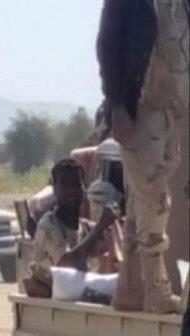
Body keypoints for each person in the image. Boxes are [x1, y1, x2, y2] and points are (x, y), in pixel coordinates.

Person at [97, 0, 189, 313]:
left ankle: (130, 289)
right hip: (141, 107)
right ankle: (157, 291)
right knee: (155, 198)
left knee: (141, 202)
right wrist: (117, 105)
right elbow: (108, 45)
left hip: (172, 109)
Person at [27, 159, 116, 297]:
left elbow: (104, 252)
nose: (71, 191)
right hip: (50, 301)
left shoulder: (84, 227)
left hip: (76, 300)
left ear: (84, 188)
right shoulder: (48, 225)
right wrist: (100, 227)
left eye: (76, 184)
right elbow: (65, 265)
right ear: (55, 189)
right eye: (65, 185)